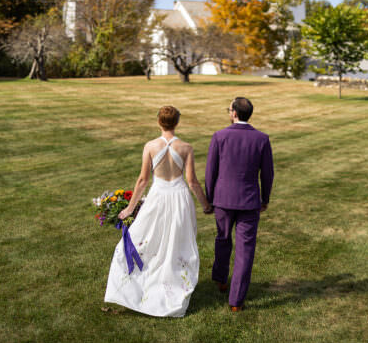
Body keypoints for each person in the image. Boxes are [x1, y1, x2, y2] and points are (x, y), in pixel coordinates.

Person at [104, 105, 212, 317]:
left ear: (158, 122)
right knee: (177, 242)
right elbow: (192, 181)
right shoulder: (186, 147)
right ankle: (173, 285)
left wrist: (130, 208)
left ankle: (145, 286)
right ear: (177, 122)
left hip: (157, 196)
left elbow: (143, 180)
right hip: (180, 198)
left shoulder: (150, 146)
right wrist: (206, 205)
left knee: (149, 238)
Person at [205, 97, 274, 312]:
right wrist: (265, 199)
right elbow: (268, 173)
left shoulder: (219, 136)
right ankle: (236, 300)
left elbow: (211, 171)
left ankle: (220, 280)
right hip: (249, 201)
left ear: (234, 113)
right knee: (245, 250)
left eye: (229, 109)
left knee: (222, 239)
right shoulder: (262, 139)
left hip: (223, 199)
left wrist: (209, 198)